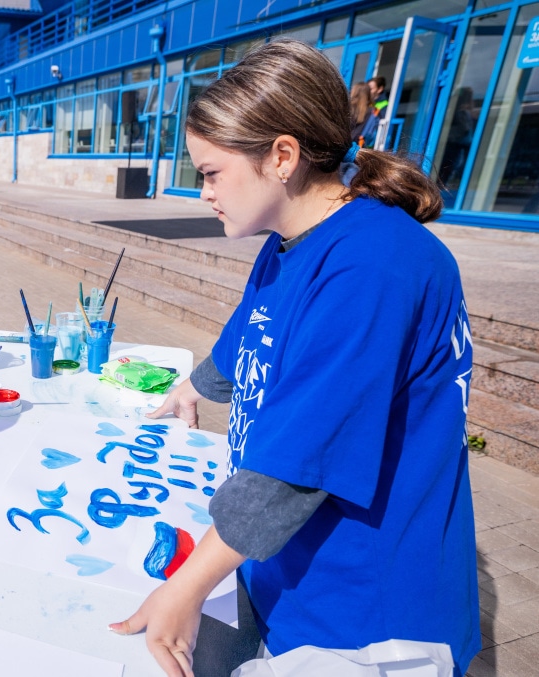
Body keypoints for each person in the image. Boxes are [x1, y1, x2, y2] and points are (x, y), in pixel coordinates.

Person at [108, 40, 479, 677]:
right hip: (291, 571)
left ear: (282, 156)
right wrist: (192, 390)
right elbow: (251, 336)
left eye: (211, 173)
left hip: (365, 618)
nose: (204, 193)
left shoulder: (373, 267)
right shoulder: (289, 239)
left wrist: (186, 588)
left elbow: (296, 467)